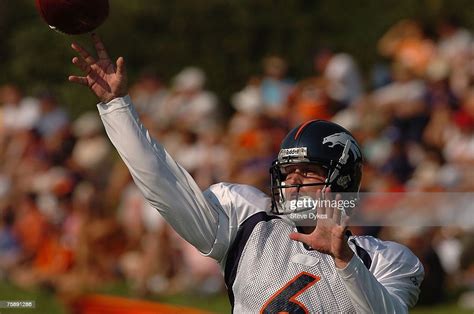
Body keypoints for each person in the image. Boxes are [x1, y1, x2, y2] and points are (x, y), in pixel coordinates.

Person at [68, 34, 424, 313]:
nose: (293, 182)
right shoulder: (250, 223)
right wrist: (116, 106)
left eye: (308, 171)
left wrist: (344, 259)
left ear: (342, 181)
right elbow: (165, 186)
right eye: (288, 172)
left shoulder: (387, 259)